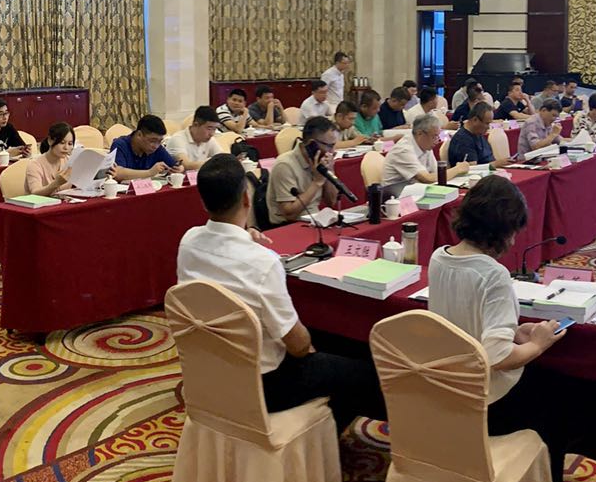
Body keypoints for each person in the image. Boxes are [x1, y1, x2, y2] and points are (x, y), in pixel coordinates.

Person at [177, 155, 382, 435]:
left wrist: (245, 234)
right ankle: (320, 441)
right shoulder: (262, 261)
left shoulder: (188, 242)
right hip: (264, 385)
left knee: (334, 348)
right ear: (247, 199)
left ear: (203, 202)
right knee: (363, 370)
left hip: (209, 370)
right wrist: (309, 346)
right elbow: (298, 346)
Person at [428, 176, 581, 460]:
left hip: (445, 385)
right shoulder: (493, 274)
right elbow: (497, 357)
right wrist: (538, 344)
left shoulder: (438, 257)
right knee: (564, 396)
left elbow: (464, 322)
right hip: (486, 399)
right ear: (502, 230)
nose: (513, 241)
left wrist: (515, 331)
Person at [268, 116, 344, 222]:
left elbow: (331, 202)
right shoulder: (285, 165)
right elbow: (289, 215)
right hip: (288, 225)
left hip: (315, 220)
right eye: (329, 146)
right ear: (312, 144)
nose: (332, 151)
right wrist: (317, 182)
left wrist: (329, 170)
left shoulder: (319, 161)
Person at [109, 115, 179, 182]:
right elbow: (117, 173)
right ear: (139, 134)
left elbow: (174, 165)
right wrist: (149, 172)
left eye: (160, 141)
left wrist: (178, 169)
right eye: (152, 141)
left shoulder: (158, 148)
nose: (156, 146)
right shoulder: (120, 145)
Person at [22, 123, 78, 196]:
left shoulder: (69, 161)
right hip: (40, 202)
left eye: (70, 144)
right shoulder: (35, 164)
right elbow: (35, 193)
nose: (66, 148)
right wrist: (57, 183)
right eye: (62, 143)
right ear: (50, 141)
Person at [385, 115, 442, 185]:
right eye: (434, 136)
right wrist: (455, 169)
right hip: (395, 191)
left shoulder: (426, 145)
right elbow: (427, 178)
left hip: (415, 188)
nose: (437, 141)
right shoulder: (403, 150)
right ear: (420, 133)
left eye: (438, 136)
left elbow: (436, 173)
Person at [444, 102, 500, 169]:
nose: (488, 127)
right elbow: (471, 169)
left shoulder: (478, 133)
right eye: (486, 123)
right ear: (475, 120)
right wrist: (496, 164)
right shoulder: (462, 140)